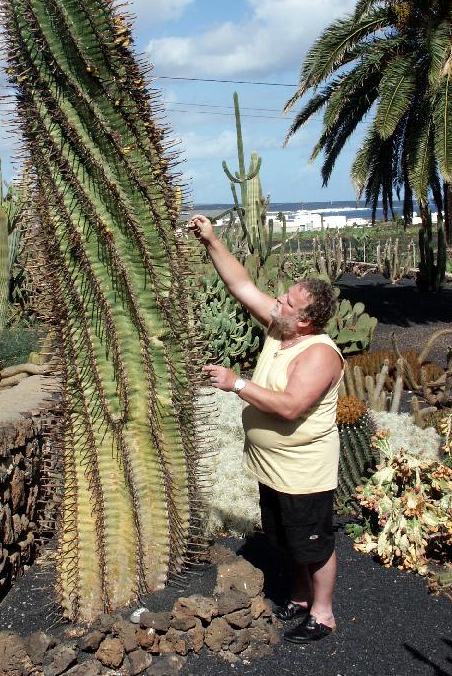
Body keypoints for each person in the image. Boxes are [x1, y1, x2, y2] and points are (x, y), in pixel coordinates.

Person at [187, 213, 343, 643]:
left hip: (303, 470)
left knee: (314, 544)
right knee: (286, 538)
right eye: (284, 295)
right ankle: (298, 595)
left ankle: (324, 614)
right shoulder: (281, 330)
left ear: (307, 320)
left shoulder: (318, 354)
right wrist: (212, 241)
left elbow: (291, 407)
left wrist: (237, 384)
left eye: (289, 302)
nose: (279, 300)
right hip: (273, 465)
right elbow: (242, 286)